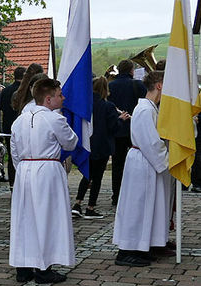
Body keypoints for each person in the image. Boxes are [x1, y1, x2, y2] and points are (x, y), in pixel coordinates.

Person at [9, 77, 79, 284]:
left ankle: (23, 267)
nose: (63, 98)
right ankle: (43, 268)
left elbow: (14, 151)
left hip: (24, 169)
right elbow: (71, 142)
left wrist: (22, 168)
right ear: (48, 99)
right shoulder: (54, 119)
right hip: (47, 170)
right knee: (47, 218)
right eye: (59, 95)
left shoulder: (19, 119)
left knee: (25, 218)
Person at [113, 71, 174, 266]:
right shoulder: (145, 110)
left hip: (145, 160)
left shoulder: (150, 108)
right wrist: (168, 159)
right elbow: (151, 142)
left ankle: (141, 246)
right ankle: (125, 251)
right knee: (136, 206)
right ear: (159, 86)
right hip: (142, 160)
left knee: (146, 205)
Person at [72, 75, 129, 220]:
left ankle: (77, 204)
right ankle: (90, 207)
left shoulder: (86, 104)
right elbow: (113, 127)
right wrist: (121, 119)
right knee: (97, 178)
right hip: (102, 145)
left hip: (88, 143)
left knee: (87, 174)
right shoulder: (108, 106)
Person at [108, 59, 147, 206]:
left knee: (117, 165)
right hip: (134, 129)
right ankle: (135, 194)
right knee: (138, 162)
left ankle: (116, 196)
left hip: (117, 129)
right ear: (131, 71)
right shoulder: (138, 84)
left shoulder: (111, 85)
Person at [0, 66, 26, 188]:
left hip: (8, 127)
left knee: (11, 156)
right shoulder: (25, 91)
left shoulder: (5, 91)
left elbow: (1, 108)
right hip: (23, 127)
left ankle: (12, 185)